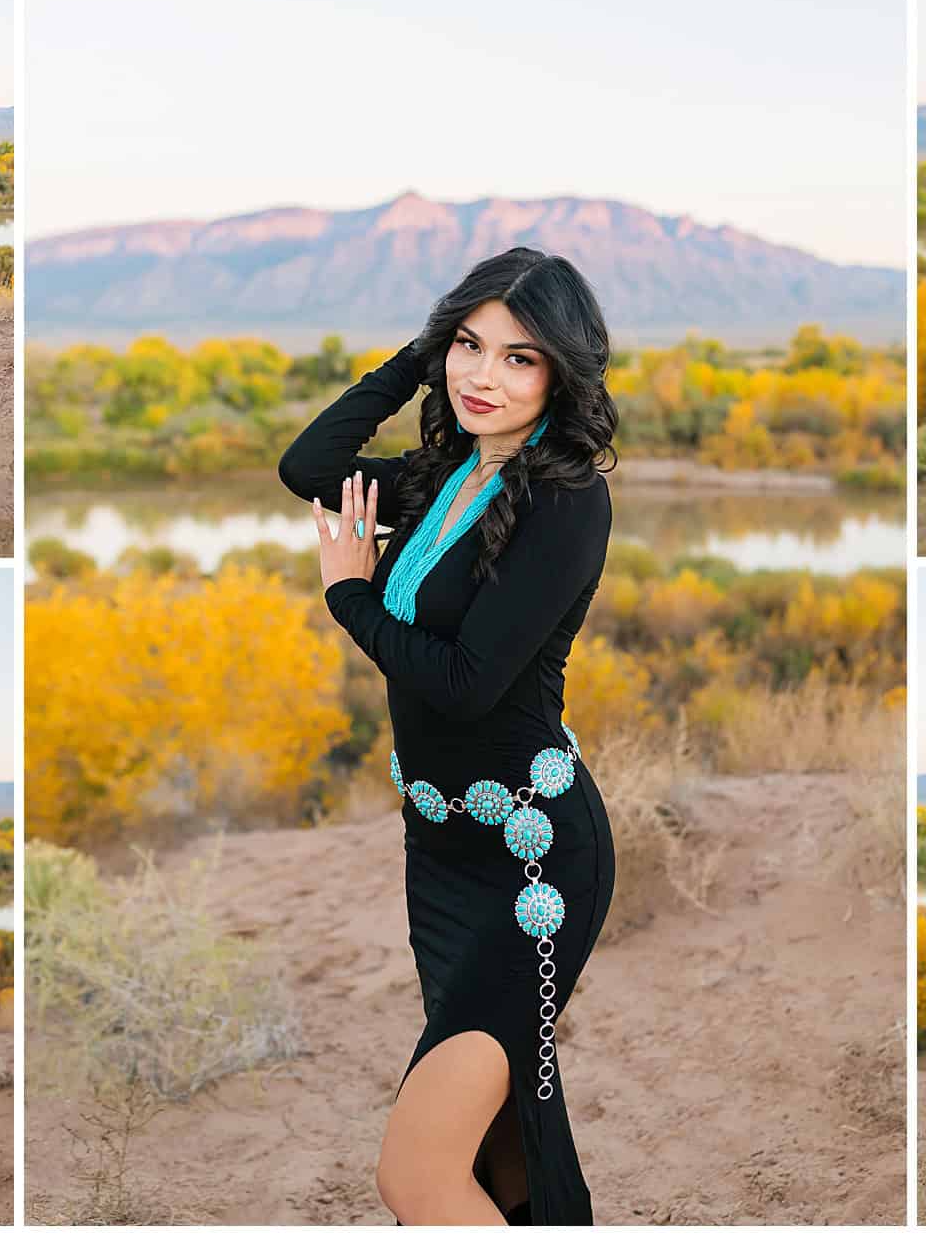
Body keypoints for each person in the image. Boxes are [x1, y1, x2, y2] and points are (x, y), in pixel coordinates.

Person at [278, 246, 618, 1224]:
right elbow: (307, 467)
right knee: (502, 1149)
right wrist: (416, 355)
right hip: (441, 856)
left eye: (518, 357)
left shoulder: (566, 497)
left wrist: (349, 594)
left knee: (415, 1174)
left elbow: (468, 687)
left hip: (534, 858)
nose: (483, 375)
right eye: (469, 345)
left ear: (563, 371)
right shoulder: (442, 473)